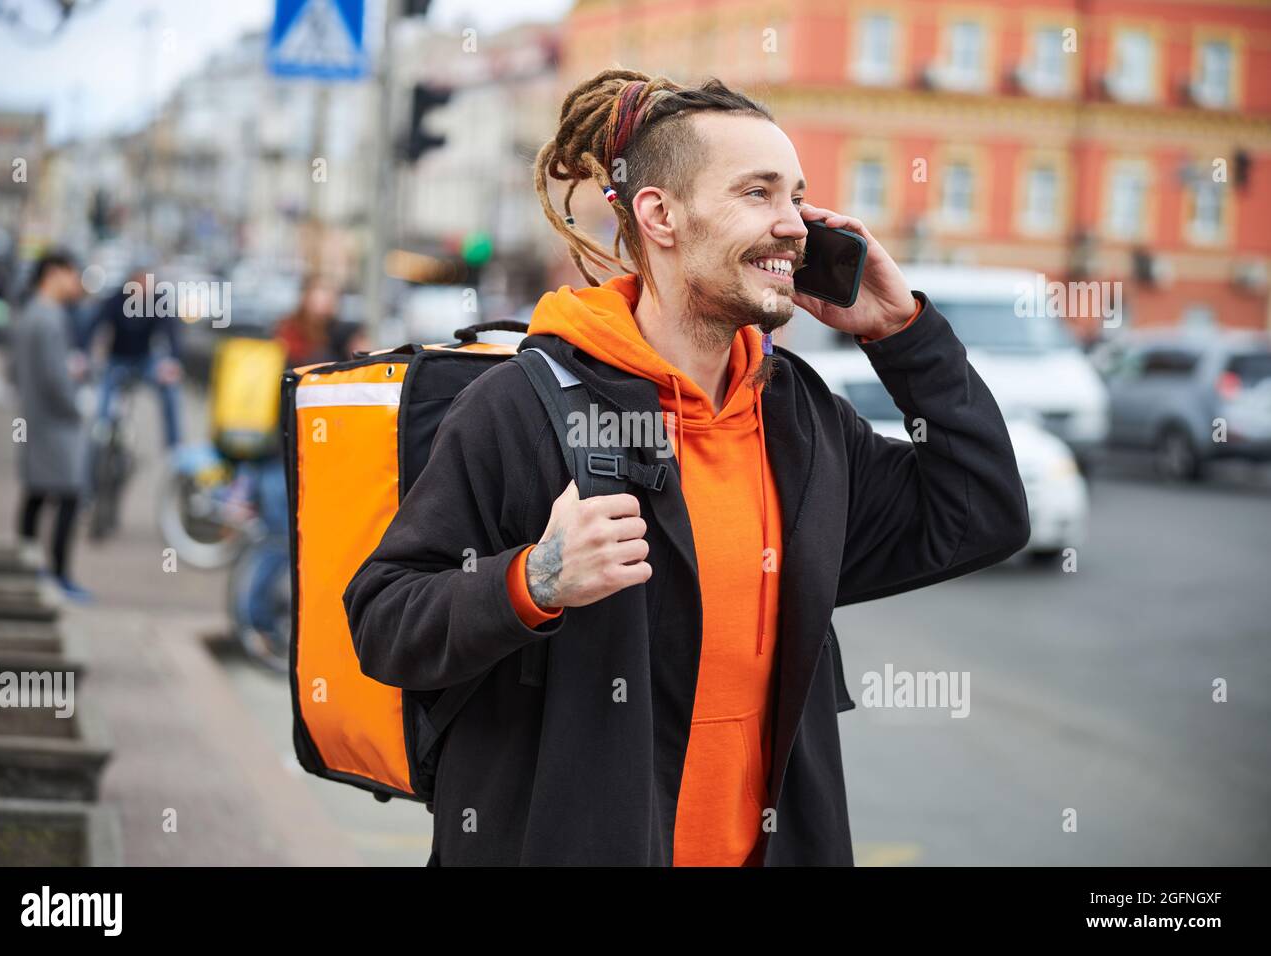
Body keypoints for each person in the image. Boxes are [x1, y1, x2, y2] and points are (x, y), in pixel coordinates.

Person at [342, 70, 1030, 867]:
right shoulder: (521, 409)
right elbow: (383, 622)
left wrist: (901, 333)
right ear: (659, 213)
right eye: (758, 193)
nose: (796, 226)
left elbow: (983, 512)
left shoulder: (798, 421)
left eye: (797, 196)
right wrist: (532, 581)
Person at [7, 249, 93, 603]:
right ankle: (58, 575)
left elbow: (13, 371)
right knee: (69, 496)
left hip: (34, 418)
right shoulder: (49, 317)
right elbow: (57, 379)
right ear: (54, 273)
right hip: (56, 425)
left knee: (36, 495)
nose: (76, 283)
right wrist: (76, 406)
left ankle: (26, 568)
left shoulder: (27, 314)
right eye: (73, 274)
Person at [79, 267, 184, 451]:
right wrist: (82, 354)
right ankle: (99, 439)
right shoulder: (115, 300)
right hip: (117, 359)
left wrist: (173, 361)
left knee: (170, 389)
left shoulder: (157, 301)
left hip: (145, 360)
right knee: (104, 395)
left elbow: (172, 330)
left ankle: (174, 446)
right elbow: (92, 325)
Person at [272, 275, 366, 367]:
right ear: (306, 297)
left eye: (330, 294)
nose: (326, 299)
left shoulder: (343, 333)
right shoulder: (290, 330)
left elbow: (363, 360)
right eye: (321, 292)